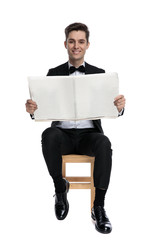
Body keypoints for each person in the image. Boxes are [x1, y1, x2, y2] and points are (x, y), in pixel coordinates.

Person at [25, 22, 126, 234]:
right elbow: (42, 109)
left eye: (81, 41)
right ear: (65, 44)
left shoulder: (100, 74)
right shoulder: (53, 73)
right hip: (62, 135)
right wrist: (33, 109)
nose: (76, 46)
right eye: (72, 41)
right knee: (48, 134)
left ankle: (98, 207)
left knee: (104, 143)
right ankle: (60, 189)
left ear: (88, 45)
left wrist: (119, 107)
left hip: (89, 136)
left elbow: (111, 108)